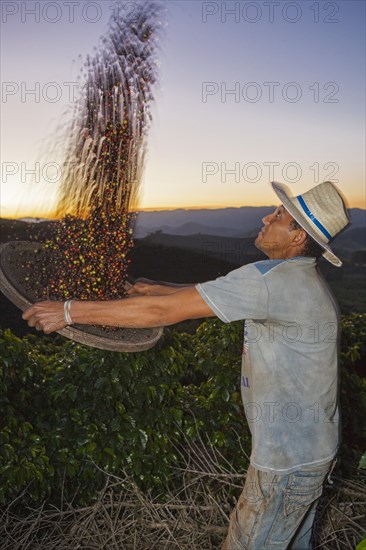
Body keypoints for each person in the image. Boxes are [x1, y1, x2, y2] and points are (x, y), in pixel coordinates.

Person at [23, 180, 350, 549]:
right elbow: (212, 290)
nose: (266, 216)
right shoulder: (297, 279)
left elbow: (164, 313)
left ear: (297, 238)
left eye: (279, 215)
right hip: (313, 452)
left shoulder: (270, 281)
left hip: (286, 465)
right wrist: (155, 287)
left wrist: (68, 311)